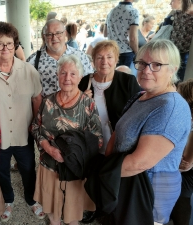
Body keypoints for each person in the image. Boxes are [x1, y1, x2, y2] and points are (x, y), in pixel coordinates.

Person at [106, 39, 191, 225]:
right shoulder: (141, 96)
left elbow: (139, 163)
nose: (146, 70)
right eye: (142, 63)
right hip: (126, 182)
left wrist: (101, 173)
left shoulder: (171, 108)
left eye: (156, 65)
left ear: (173, 69)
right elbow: (118, 131)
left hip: (149, 193)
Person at [0, 22, 44, 222]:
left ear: (15, 45)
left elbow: (37, 99)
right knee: (2, 170)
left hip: (24, 132)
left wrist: (36, 128)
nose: (5, 48)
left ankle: (32, 199)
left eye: (9, 43)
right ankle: (8, 199)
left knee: (28, 169)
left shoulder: (29, 71)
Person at [31, 54, 103, 225]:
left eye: (72, 74)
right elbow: (35, 127)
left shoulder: (87, 104)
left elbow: (97, 138)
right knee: (52, 212)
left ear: (79, 77)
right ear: (57, 75)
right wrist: (49, 149)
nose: (67, 78)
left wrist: (74, 154)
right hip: (49, 164)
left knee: (73, 215)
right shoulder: (47, 101)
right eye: (63, 73)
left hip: (74, 171)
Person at [78, 40, 140, 223]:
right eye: (99, 57)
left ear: (116, 60)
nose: (104, 61)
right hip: (91, 142)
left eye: (109, 57)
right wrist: (81, 101)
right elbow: (71, 114)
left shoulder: (127, 81)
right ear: (93, 61)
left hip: (118, 141)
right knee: (94, 175)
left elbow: (138, 114)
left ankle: (116, 212)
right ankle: (96, 209)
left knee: (115, 177)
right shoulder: (84, 82)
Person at [27, 19, 93, 97]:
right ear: (44, 36)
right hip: (44, 108)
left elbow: (90, 83)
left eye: (58, 33)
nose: (54, 38)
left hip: (76, 107)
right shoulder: (32, 61)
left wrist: (84, 97)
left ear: (65, 33)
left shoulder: (80, 57)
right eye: (49, 34)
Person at [170, 79, 193, 225]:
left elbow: (186, 163)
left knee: (181, 198)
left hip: (185, 170)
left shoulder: (188, 116)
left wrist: (188, 161)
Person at [104, 0, 139, 67]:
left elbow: (105, 33)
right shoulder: (133, 11)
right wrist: (137, 53)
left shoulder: (111, 12)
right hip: (126, 53)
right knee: (126, 76)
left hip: (112, 51)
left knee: (115, 76)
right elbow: (133, 38)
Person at [170, 0, 193, 82]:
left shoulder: (176, 13)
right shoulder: (176, 13)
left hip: (173, 48)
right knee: (180, 77)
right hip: (183, 50)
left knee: (172, 74)